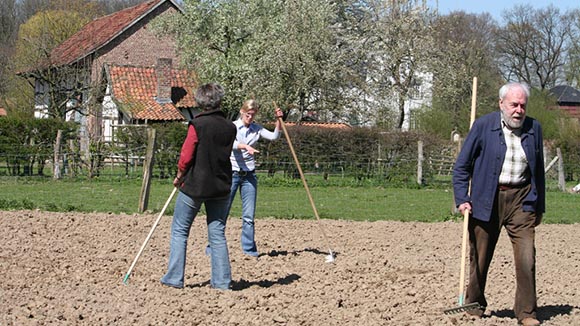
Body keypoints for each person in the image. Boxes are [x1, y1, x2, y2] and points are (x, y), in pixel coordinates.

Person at [453, 82, 545, 326]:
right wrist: (462, 198)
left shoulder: (534, 128)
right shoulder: (484, 126)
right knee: (480, 256)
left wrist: (539, 206)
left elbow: (539, 173)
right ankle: (475, 304)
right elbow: (462, 166)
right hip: (487, 198)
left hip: (522, 200)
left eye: (522, 105)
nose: (518, 110)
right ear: (501, 104)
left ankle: (526, 312)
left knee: (527, 257)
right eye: (514, 105)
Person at [160, 83, 236, 290]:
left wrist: (179, 175)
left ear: (200, 102)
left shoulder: (197, 125)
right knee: (217, 234)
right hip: (220, 185)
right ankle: (221, 282)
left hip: (196, 185)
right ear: (219, 101)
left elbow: (186, 156)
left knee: (180, 231)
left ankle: (174, 278)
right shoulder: (230, 127)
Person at [207, 99, 283, 258]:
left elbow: (274, 136)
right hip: (232, 173)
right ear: (242, 112)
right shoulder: (232, 127)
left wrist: (278, 121)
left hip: (249, 176)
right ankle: (212, 247)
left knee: (249, 215)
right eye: (248, 114)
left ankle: (249, 250)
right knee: (223, 211)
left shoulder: (257, 129)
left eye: (253, 115)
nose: (250, 118)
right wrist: (245, 146)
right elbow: (229, 143)